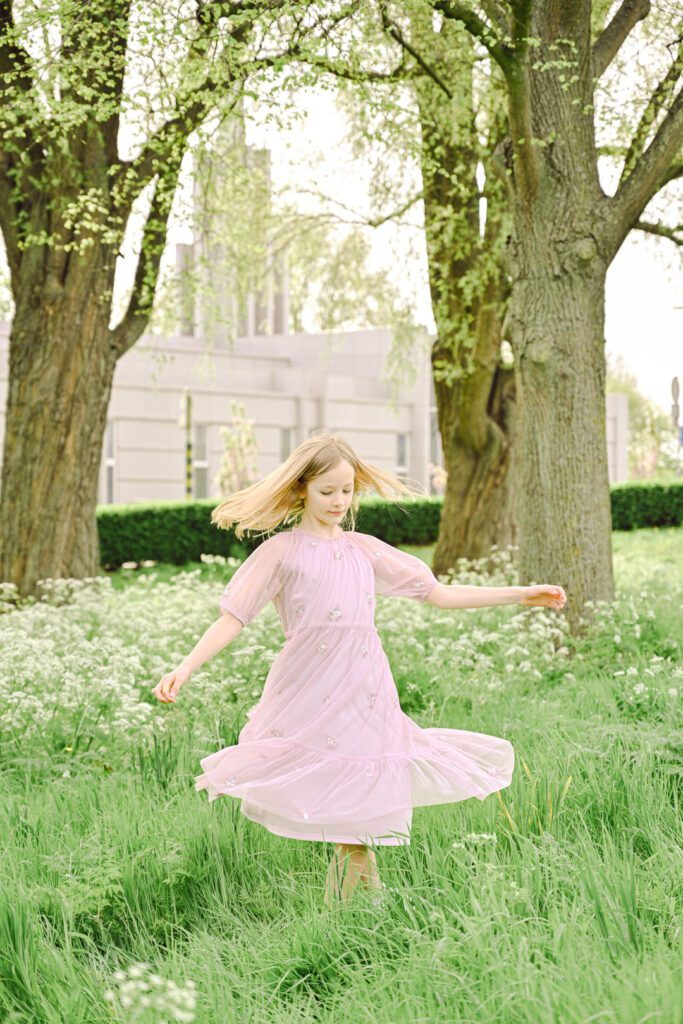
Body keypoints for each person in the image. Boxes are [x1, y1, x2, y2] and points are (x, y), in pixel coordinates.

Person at [152, 433, 566, 908]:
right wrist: (185, 667)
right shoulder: (282, 551)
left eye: (347, 491)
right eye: (327, 491)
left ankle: (358, 915)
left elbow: (440, 595)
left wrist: (521, 594)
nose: (338, 501)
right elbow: (233, 618)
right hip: (310, 690)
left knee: (360, 815)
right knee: (353, 820)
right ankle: (363, 915)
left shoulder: (364, 550)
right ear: (302, 489)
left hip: (366, 691)